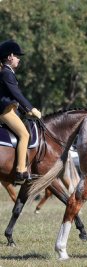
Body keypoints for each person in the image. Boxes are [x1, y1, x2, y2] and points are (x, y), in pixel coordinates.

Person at [0, 40, 42, 185]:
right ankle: (20, 170)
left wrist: (25, 112)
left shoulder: (8, 72)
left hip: (11, 110)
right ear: (10, 56)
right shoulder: (6, 73)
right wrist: (31, 108)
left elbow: (14, 97)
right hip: (5, 112)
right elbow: (17, 94)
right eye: (17, 56)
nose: (19, 59)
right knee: (24, 134)